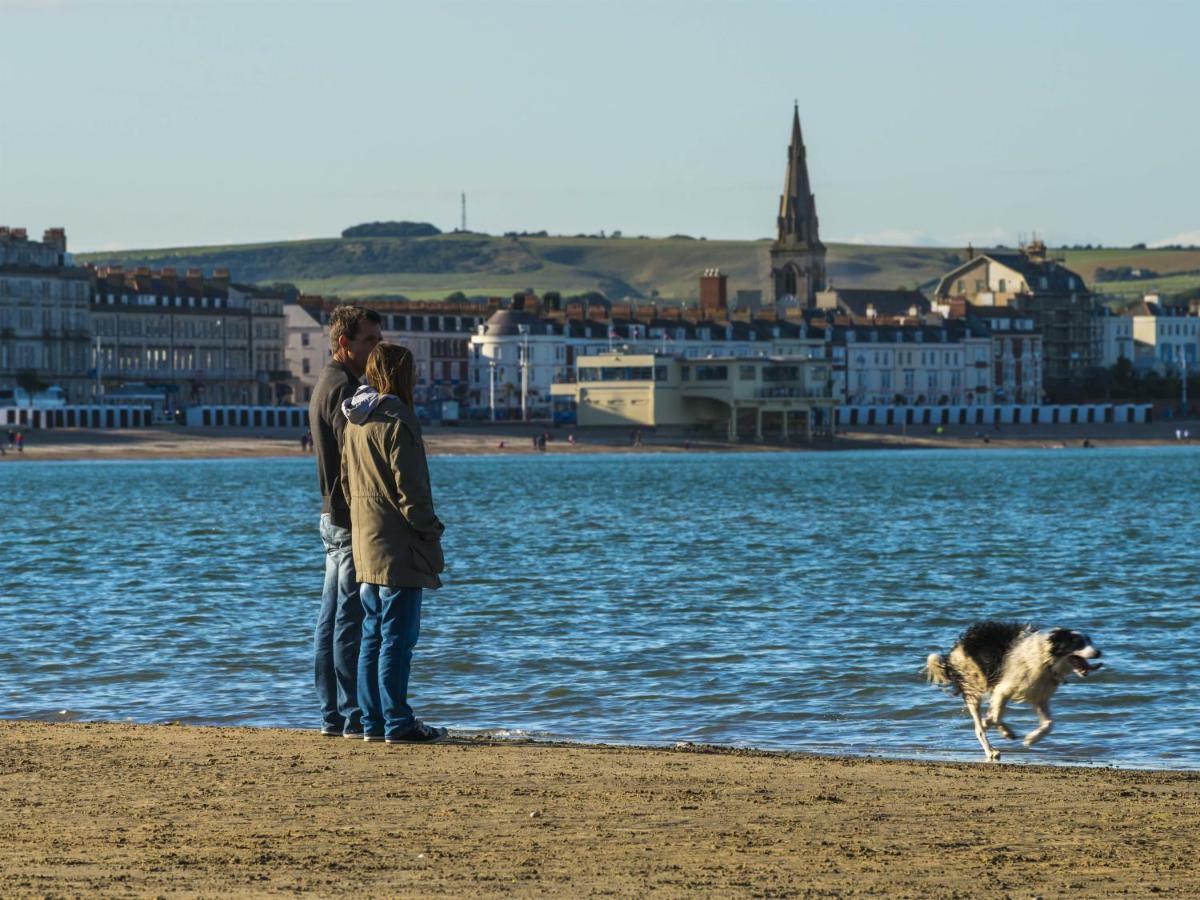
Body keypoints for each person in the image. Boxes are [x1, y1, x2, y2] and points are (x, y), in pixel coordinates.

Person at [340, 343, 447, 744]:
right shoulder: (398, 419)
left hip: (366, 542)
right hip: (399, 546)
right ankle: (398, 722)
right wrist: (430, 529)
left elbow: (347, 483)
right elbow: (412, 490)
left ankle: (372, 722)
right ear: (401, 374)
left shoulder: (355, 419)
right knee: (398, 640)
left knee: (372, 634)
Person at [308, 304, 382, 737]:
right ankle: (351, 715)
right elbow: (352, 457)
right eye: (369, 340)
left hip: (332, 515)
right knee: (348, 619)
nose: (377, 347)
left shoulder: (329, 381)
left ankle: (333, 716)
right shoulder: (343, 387)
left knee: (331, 618)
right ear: (344, 343)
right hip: (348, 516)